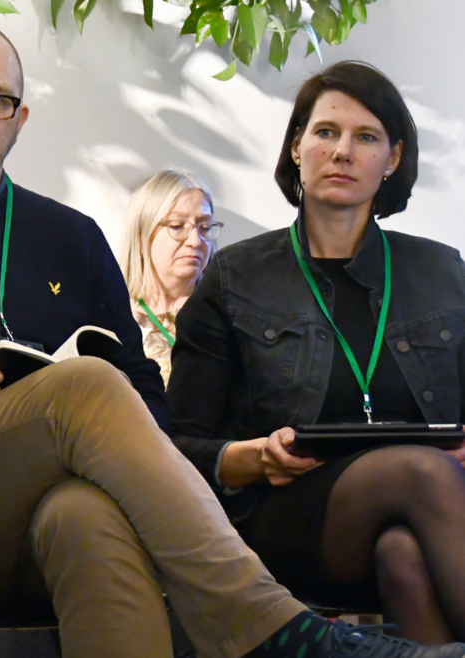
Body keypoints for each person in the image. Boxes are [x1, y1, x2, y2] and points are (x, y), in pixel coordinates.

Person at [0, 19, 465, 658]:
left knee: (87, 516)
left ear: (20, 119)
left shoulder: (70, 237)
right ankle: (271, 627)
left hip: (39, 511)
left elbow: (149, 404)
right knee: (86, 384)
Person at [169, 60, 465, 643]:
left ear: (393, 159)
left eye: (367, 137)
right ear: (297, 147)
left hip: (421, 514)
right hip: (284, 520)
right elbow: (178, 446)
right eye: (326, 132)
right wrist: (254, 457)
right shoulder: (235, 278)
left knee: (405, 555)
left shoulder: (440, 271)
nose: (343, 152)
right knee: (422, 470)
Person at [119, 169, 220, 384]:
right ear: (142, 232)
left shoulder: (226, 316)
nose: (195, 241)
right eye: (177, 226)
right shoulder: (115, 317)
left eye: (204, 227)